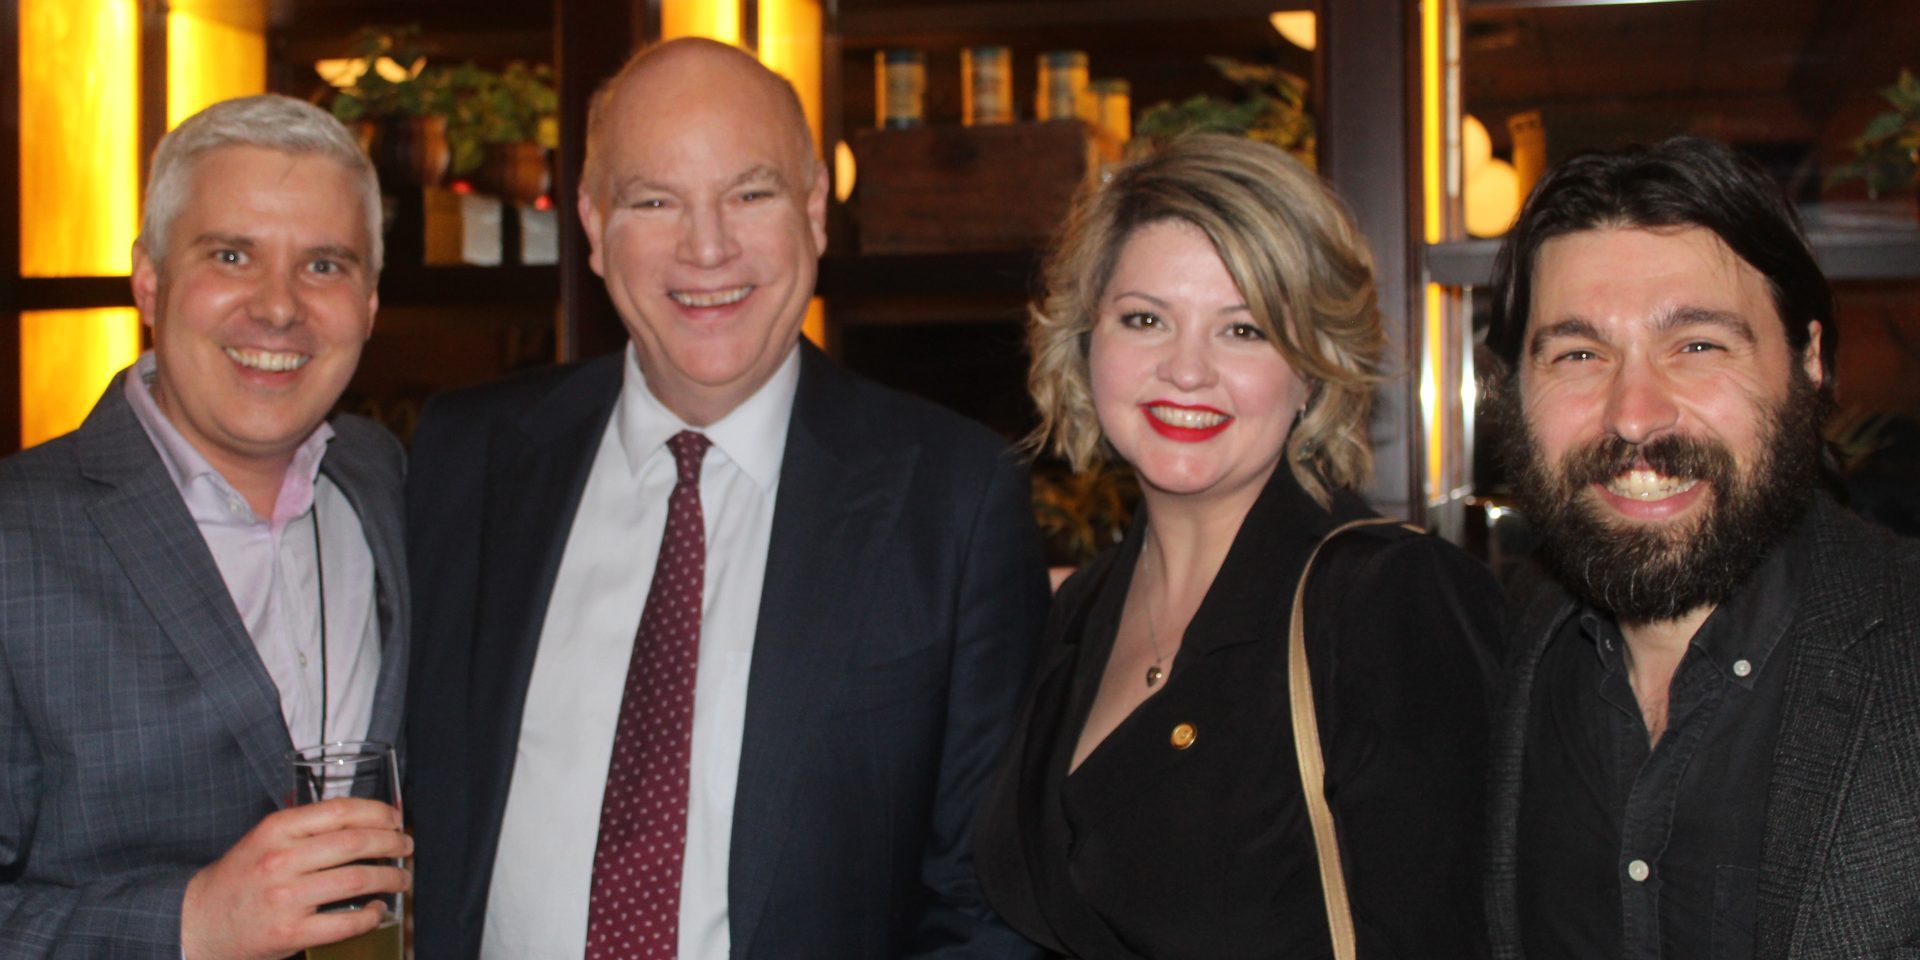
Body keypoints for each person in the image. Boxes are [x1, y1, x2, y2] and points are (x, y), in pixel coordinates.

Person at [403, 38, 1051, 960]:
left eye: (750, 194)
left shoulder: (954, 501)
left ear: (816, 210)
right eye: (654, 200)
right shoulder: (464, 458)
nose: (706, 248)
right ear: (591, 223)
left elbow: (984, 907)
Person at [973, 133, 1503, 959]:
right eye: (1145, 319)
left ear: (1313, 370)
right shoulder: (1080, 611)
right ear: (1086, 343)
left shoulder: (1390, 604)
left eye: (1244, 331)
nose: (1186, 371)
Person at [1480, 136, 1920, 958]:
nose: (1635, 415)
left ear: (1810, 359)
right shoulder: (1515, 654)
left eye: (1699, 346)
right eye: (1579, 353)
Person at [0, 94, 410, 959]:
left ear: (371, 305)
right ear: (149, 277)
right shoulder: (16, 539)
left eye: (326, 266)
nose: (278, 308)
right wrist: (190, 925)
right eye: (232, 254)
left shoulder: (390, 481)